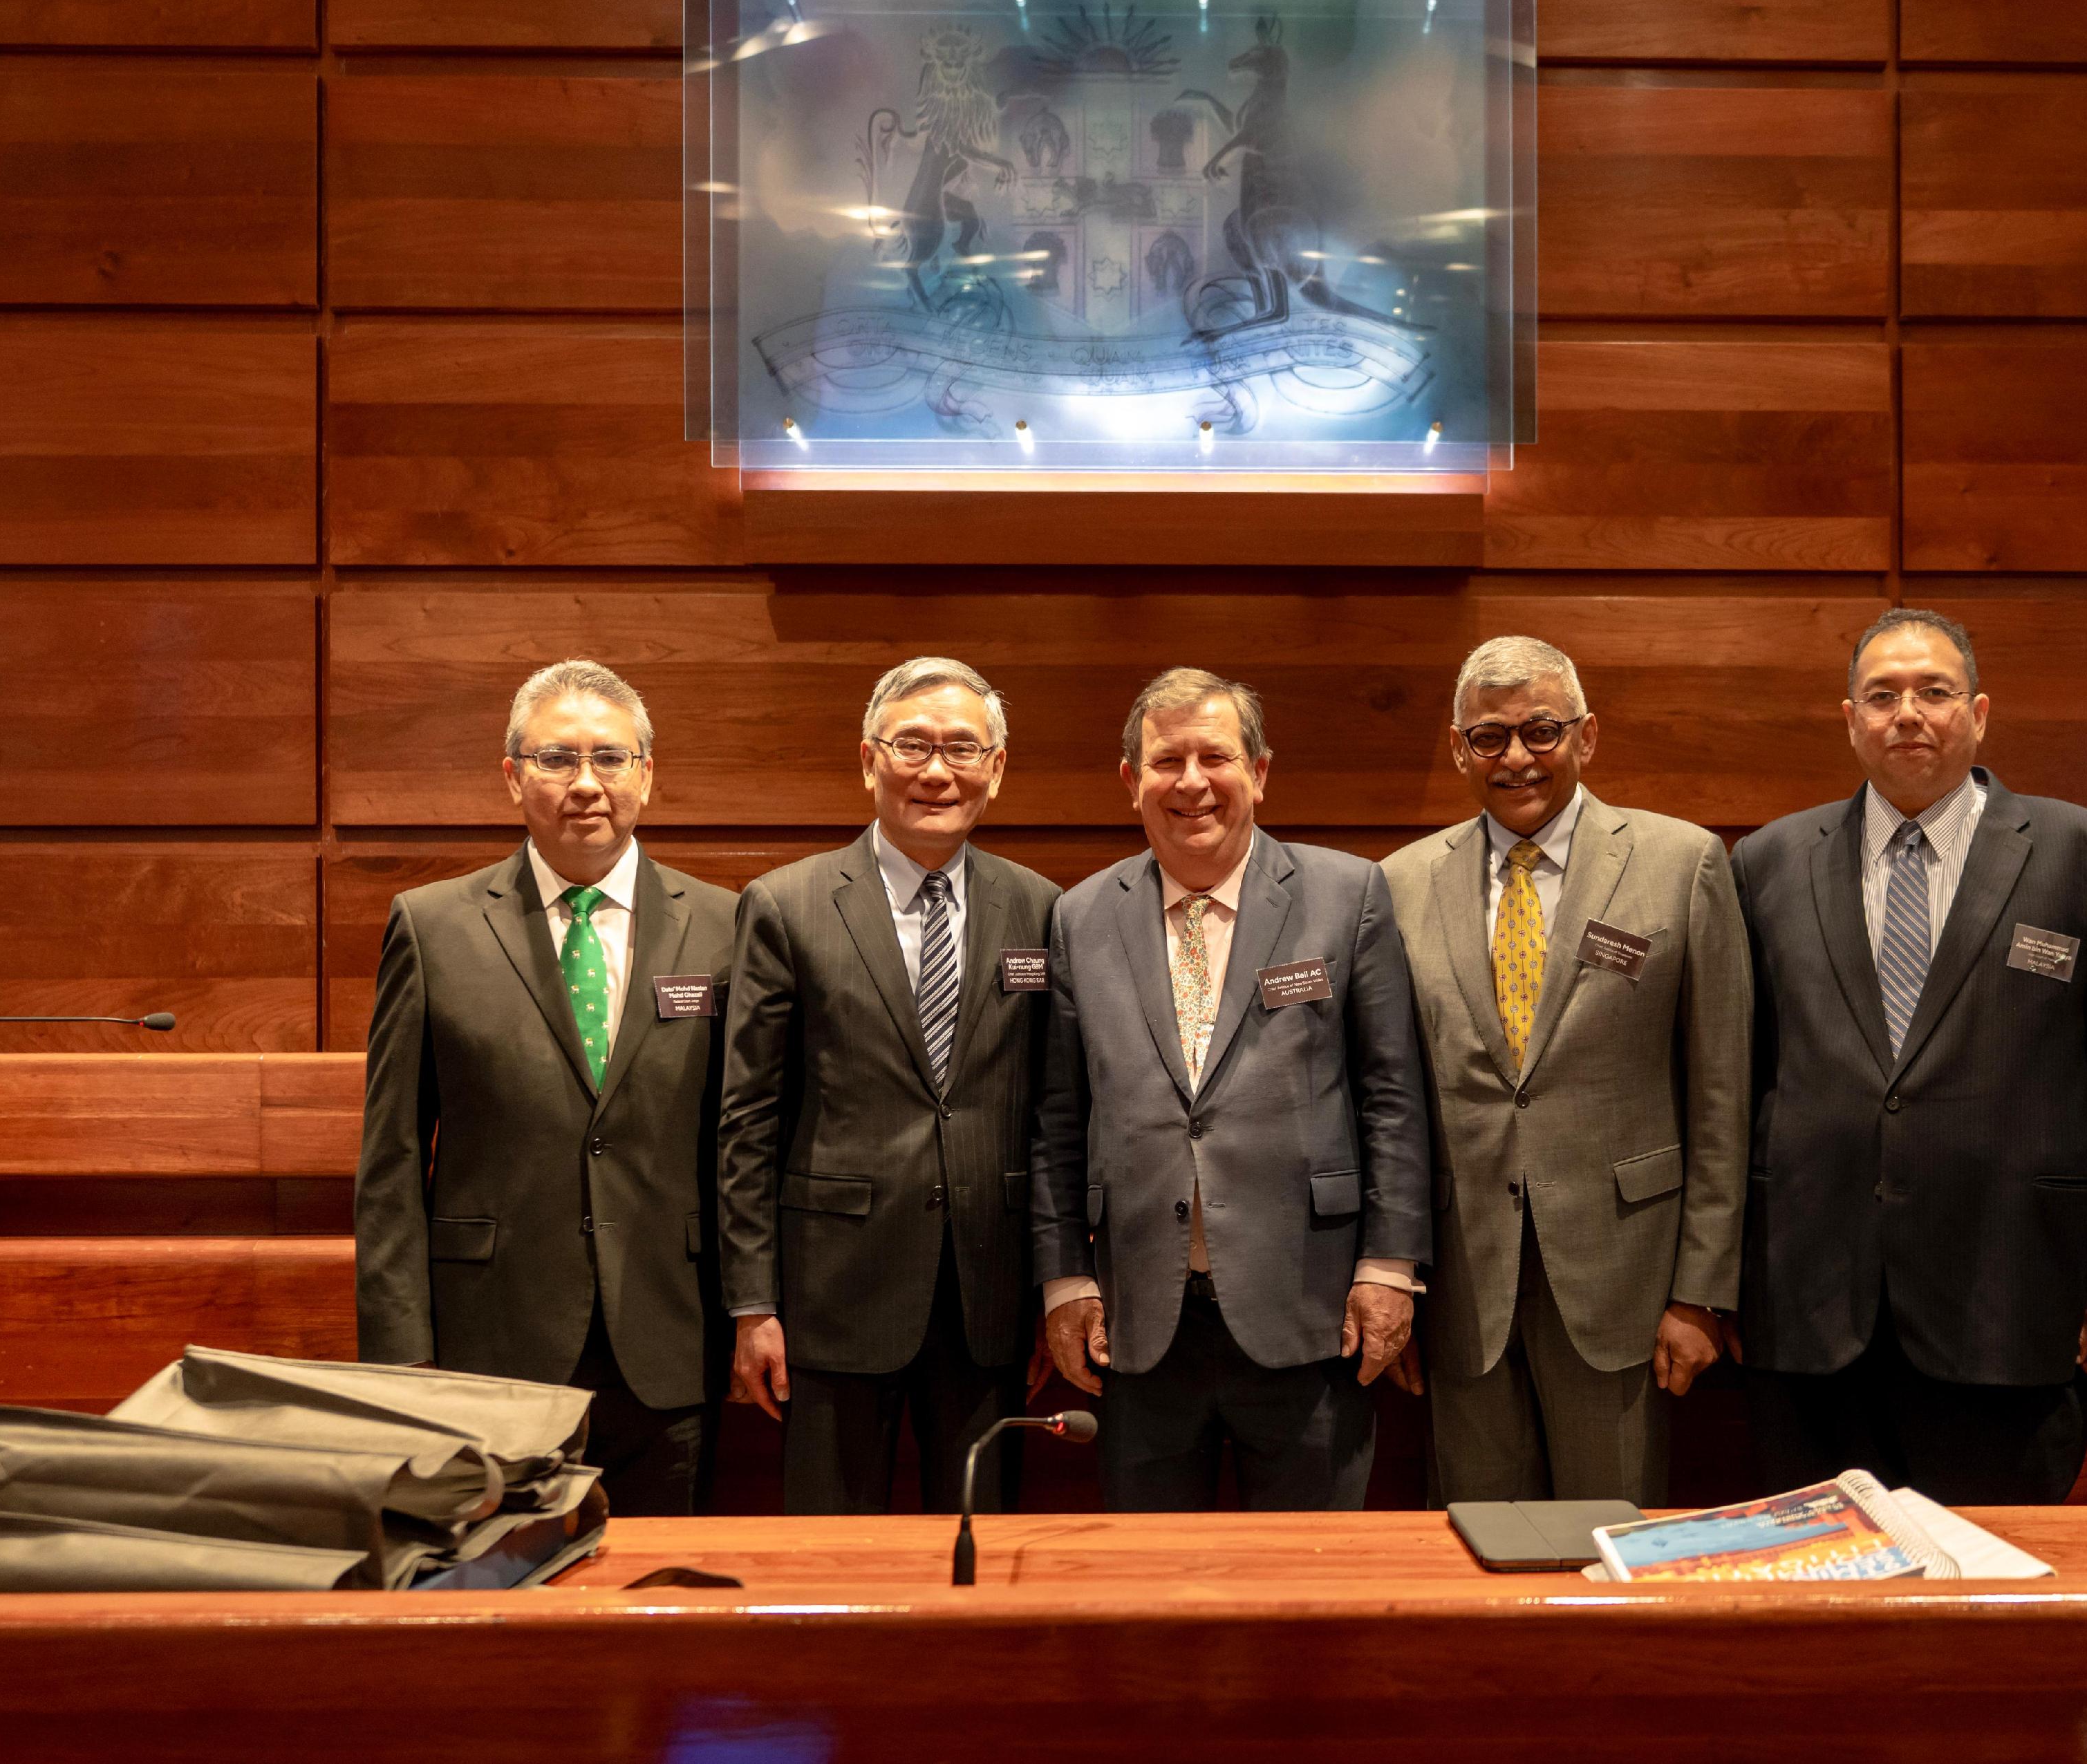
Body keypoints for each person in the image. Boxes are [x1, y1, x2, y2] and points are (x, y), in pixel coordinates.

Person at [1728, 609, 2087, 1505]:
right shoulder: (1768, 862)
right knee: (1826, 1585)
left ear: (1978, 712)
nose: (1908, 713)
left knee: (1990, 1587)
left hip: (2004, 1296)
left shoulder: (2086, 856)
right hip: (1810, 1309)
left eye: (1933, 691)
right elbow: (1734, 1086)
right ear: (1848, 718)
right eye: (1882, 695)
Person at [1033, 667, 1432, 1510]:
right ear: (1128, 780)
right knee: (1152, 1587)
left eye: (1214, 755)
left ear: (1259, 770)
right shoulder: (1080, 915)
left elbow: (1391, 1095)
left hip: (1311, 1308)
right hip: (1140, 1323)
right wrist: (1066, 1279)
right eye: (1164, 759)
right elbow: (1060, 1117)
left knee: (1310, 1591)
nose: (1190, 782)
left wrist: (1390, 1266)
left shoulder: (1346, 893)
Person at [355, 659, 737, 1514]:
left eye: (611, 757)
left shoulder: (727, 923)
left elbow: (743, 1142)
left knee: (657, 1594)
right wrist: (400, 1347)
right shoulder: (434, 925)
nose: (586, 783)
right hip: (493, 1339)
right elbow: (392, 1154)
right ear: (512, 777)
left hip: (672, 1332)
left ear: (649, 773)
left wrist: (754, 1313)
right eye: (556, 759)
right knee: (498, 1601)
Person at [1383, 636, 1750, 1507]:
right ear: (1456, 747)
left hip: (1625, 1280)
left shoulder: (1680, 862)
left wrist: (1703, 1291)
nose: (1515, 757)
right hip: (1461, 1286)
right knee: (1473, 1547)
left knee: (1613, 1545)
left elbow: (1722, 1092)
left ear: (1587, 735)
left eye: (1539, 730)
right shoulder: (1397, 883)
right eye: (1488, 737)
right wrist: (1390, 1277)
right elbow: (1385, 1103)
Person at [718, 657, 1060, 1513]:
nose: (936, 769)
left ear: (997, 767)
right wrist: (752, 1302)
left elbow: (1058, 1115)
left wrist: (1056, 1282)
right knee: (829, 1551)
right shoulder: (786, 904)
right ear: (869, 759)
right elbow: (747, 1118)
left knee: (980, 1545)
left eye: (961, 747)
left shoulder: (1045, 910)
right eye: (912, 744)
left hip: (991, 1294)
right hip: (834, 1294)